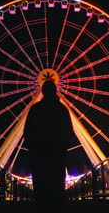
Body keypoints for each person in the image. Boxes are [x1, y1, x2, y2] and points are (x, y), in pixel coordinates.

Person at [24, 80, 72, 208]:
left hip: (39, 154)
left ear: (43, 91)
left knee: (41, 185)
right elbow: (68, 132)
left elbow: (27, 131)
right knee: (57, 185)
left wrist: (32, 148)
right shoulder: (62, 110)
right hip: (57, 154)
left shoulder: (35, 109)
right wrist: (63, 148)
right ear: (55, 91)